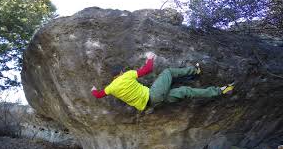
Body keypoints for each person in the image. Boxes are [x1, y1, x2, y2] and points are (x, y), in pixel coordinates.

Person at [91, 52, 234, 113]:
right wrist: (150, 57)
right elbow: (147, 69)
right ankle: (195, 72)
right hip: (153, 95)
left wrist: (92, 89)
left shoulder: (110, 88)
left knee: (185, 91)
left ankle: (221, 90)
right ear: (121, 72)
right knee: (168, 72)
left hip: (152, 104)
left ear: (113, 77)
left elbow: (98, 95)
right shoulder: (127, 75)